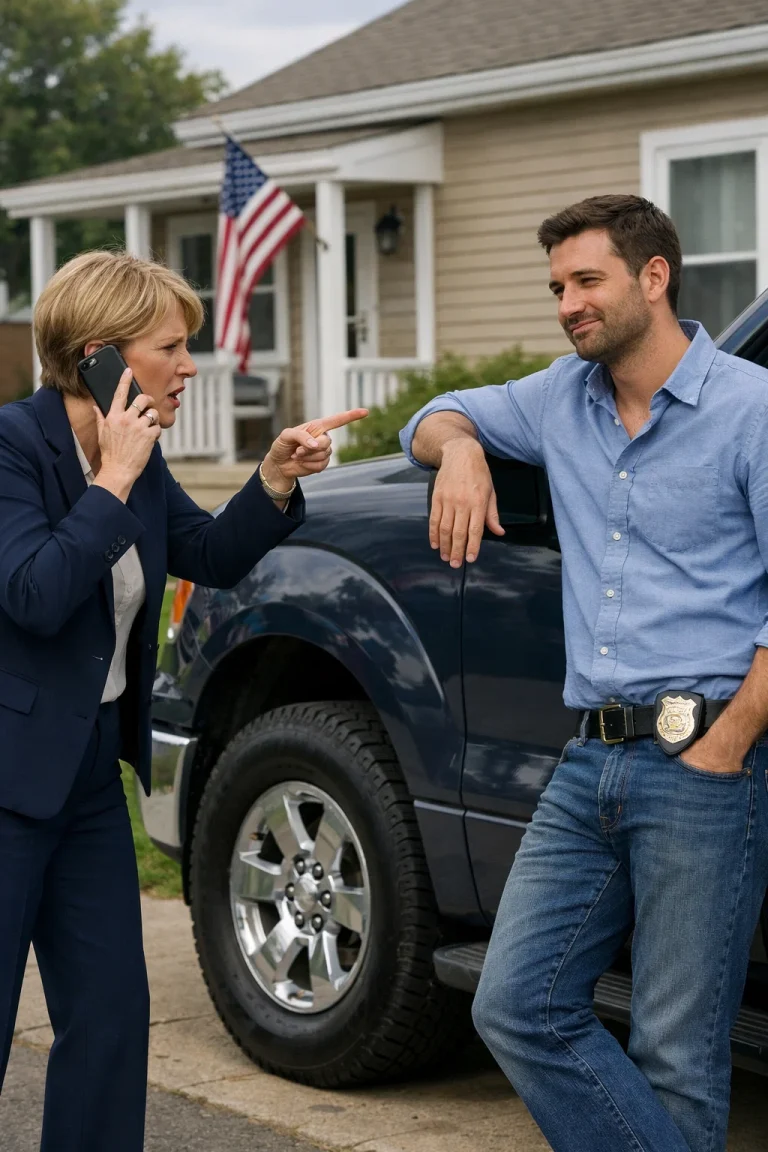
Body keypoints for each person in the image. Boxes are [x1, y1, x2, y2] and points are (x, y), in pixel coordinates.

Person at [400, 194, 768, 1152]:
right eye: (557, 286)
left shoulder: (752, 409)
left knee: (677, 1057)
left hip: (706, 760)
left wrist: (725, 748)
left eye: (586, 281)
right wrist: (464, 454)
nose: (567, 303)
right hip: (586, 763)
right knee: (517, 1005)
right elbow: (430, 417)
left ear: (654, 278)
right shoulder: (561, 396)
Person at [0, 249, 366, 1151]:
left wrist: (276, 478)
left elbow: (206, 553)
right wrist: (112, 479)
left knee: (112, 1019)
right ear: (101, 357)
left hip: (86, 776)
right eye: (171, 347)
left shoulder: (142, 457)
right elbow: (36, 595)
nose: (192, 366)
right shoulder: (11, 446)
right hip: (5, 782)